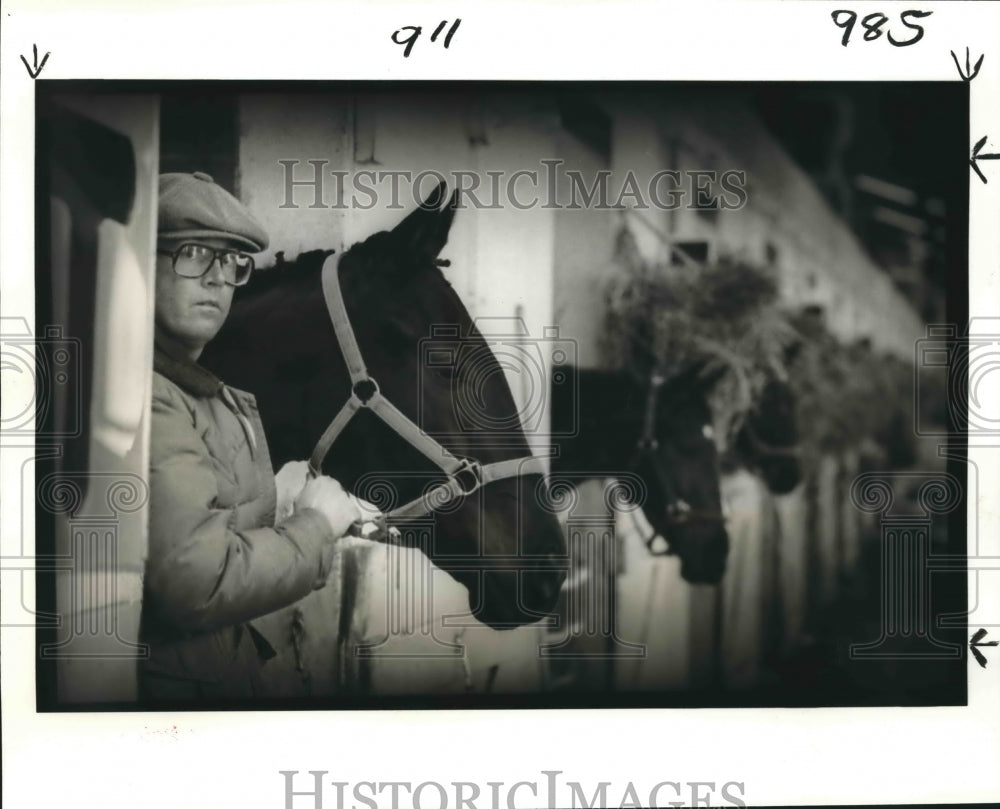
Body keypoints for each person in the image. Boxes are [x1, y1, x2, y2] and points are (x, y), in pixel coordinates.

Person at [141, 171, 360, 703]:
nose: (218, 278)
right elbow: (198, 583)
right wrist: (316, 527)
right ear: (141, 266)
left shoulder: (196, 392)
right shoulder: (149, 394)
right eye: (194, 253)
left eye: (233, 261)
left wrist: (282, 506)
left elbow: (199, 526)